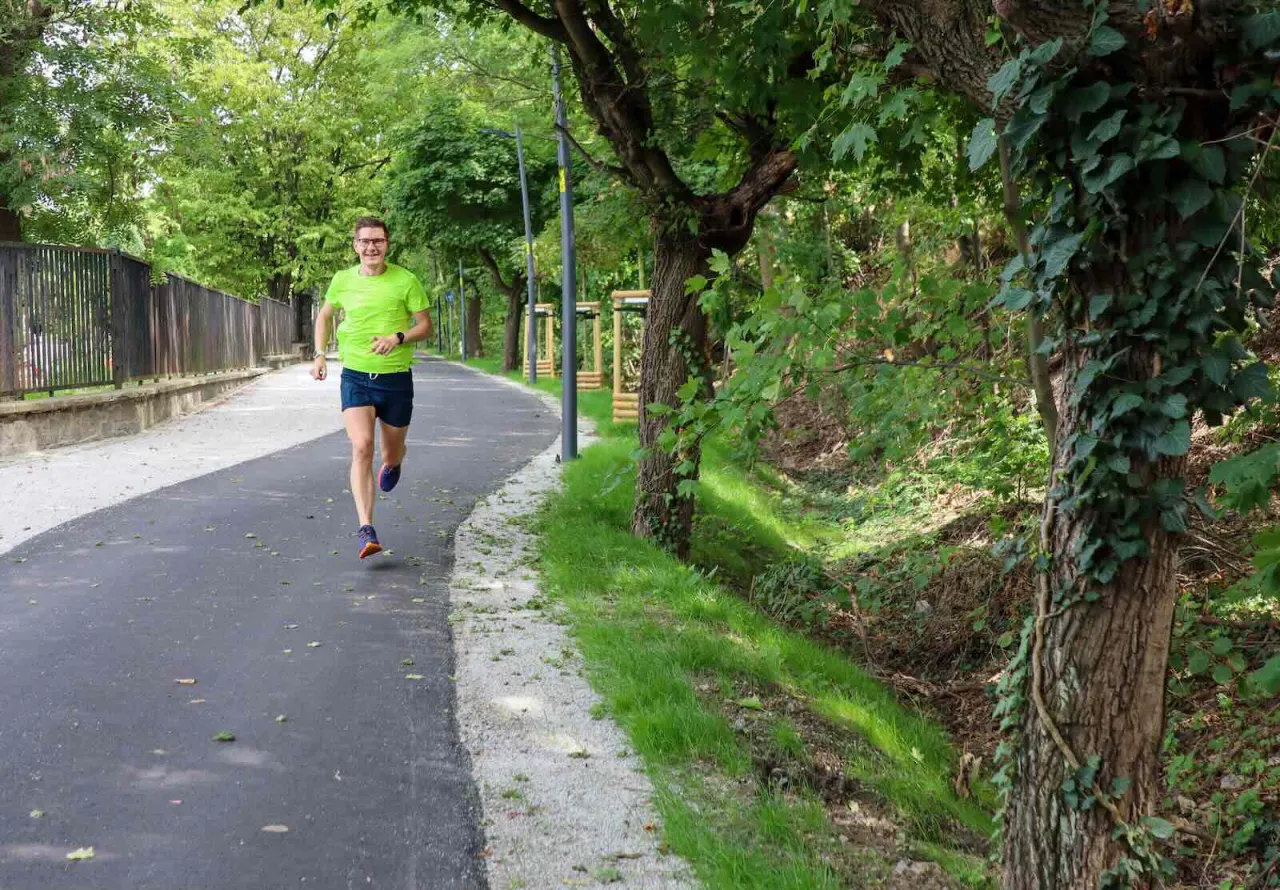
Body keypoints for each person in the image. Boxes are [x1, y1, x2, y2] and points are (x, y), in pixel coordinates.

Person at [312, 216, 433, 559]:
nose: (371, 247)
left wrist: (399, 337)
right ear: (355, 245)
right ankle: (366, 529)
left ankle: (393, 464)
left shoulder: (406, 280)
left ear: (386, 243)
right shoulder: (342, 280)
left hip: (395, 379)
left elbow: (425, 327)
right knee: (362, 446)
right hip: (356, 377)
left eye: (377, 241)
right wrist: (320, 354)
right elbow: (324, 316)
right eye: (364, 241)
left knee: (390, 452)